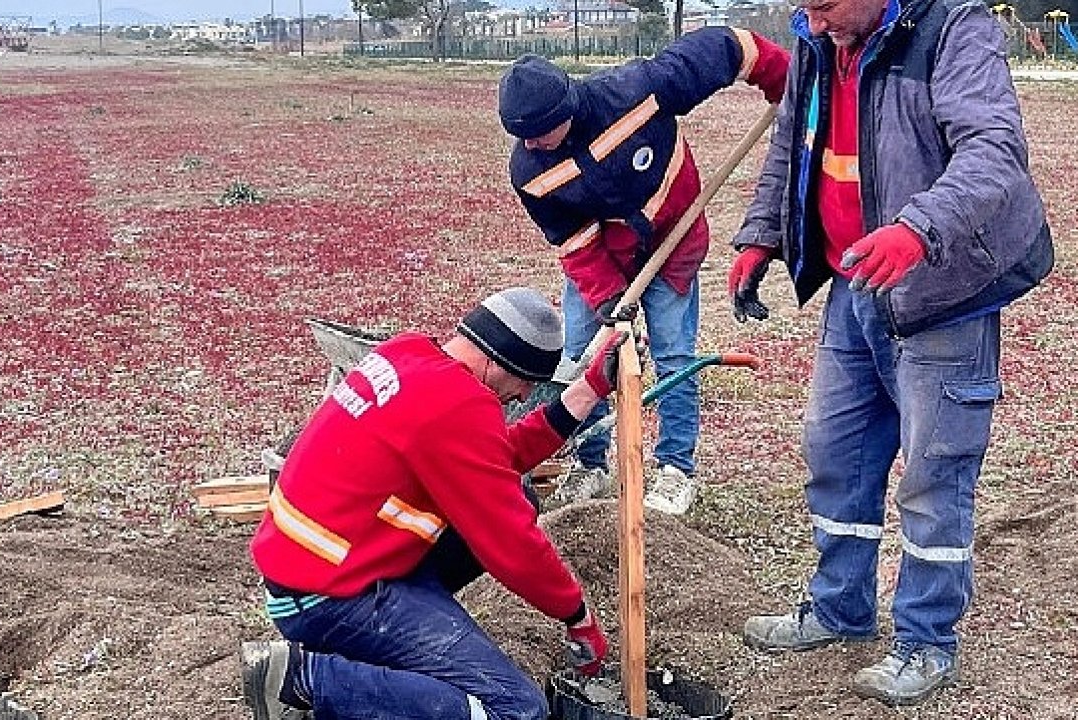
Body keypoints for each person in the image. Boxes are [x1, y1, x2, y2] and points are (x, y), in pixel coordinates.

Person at [728, 0, 1054, 707]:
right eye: (805, 8)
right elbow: (793, 142)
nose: (811, 25)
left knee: (935, 471)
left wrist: (917, 229)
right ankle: (840, 606)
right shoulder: (824, 38)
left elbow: (994, 150)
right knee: (835, 448)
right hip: (856, 282)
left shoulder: (952, 30)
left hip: (942, 290)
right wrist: (762, 235)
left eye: (825, 6)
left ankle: (926, 640)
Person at [241, 287, 629, 720]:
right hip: (327, 597)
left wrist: (589, 389)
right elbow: (512, 543)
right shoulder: (457, 405)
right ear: (497, 362)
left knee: (517, 491)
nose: (523, 397)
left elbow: (491, 460)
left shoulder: (411, 355)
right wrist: (577, 615)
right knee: (516, 710)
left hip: (316, 565)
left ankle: (366, 656)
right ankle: (304, 679)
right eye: (525, 382)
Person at [498, 27, 790, 516]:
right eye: (520, 135)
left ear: (564, 109)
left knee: (674, 356)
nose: (531, 142)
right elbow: (572, 240)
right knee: (584, 358)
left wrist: (785, 80)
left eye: (537, 131)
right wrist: (609, 298)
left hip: (672, 246)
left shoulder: (636, 92)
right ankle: (592, 466)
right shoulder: (530, 170)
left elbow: (727, 48)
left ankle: (676, 470)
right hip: (602, 260)